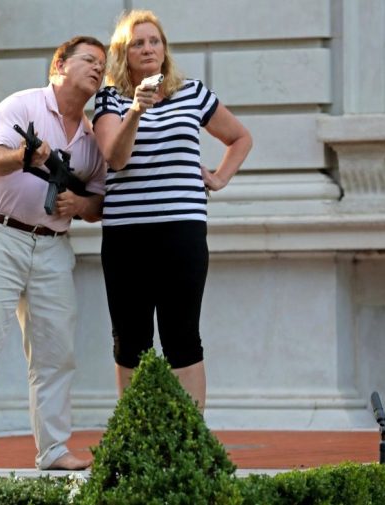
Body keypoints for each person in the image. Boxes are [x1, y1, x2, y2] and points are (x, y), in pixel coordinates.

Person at [0, 35, 107, 475]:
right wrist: (26, 155)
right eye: (88, 60)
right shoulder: (21, 106)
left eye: (102, 64)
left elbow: (98, 202)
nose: (98, 68)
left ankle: (54, 449)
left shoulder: (93, 139)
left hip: (54, 246)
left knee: (56, 353)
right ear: (58, 65)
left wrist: (78, 206)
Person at [92, 10, 253, 412]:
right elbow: (116, 159)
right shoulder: (111, 100)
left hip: (182, 231)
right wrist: (135, 111)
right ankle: (135, 435)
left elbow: (240, 138)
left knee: (183, 335)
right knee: (131, 339)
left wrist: (219, 177)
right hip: (127, 235)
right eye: (137, 43)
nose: (148, 48)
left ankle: (191, 439)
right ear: (123, 54)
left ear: (164, 49)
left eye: (154, 41)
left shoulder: (192, 92)